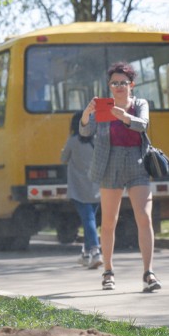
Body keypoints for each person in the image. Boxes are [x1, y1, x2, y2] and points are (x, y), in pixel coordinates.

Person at [80, 61, 161, 293]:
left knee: (144, 218)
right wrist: (87, 114)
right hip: (110, 163)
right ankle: (108, 271)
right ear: (109, 85)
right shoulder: (103, 108)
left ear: (131, 85)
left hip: (137, 162)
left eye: (123, 83)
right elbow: (85, 132)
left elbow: (143, 125)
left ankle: (148, 272)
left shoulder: (139, 104)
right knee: (108, 221)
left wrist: (124, 116)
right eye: (114, 83)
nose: (118, 87)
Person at [60, 111, 101, 269]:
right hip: (96, 187)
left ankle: (96, 252)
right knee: (90, 221)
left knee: (88, 220)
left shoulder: (72, 141)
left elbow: (63, 159)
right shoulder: (97, 140)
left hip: (78, 188)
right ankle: (86, 254)